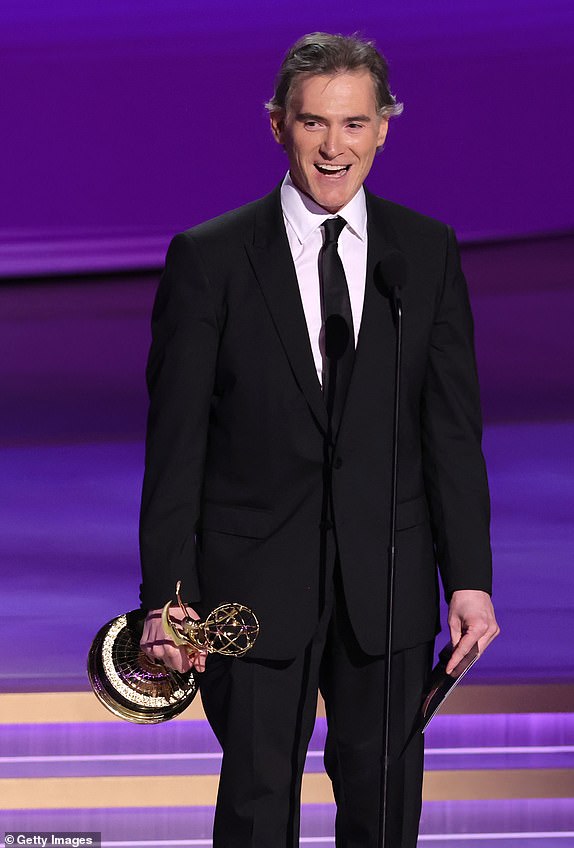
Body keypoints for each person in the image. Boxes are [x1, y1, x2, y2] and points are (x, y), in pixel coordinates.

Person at [138, 32, 500, 848]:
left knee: (383, 814)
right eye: (313, 124)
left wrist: (469, 578)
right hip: (250, 592)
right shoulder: (212, 258)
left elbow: (450, 432)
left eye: (353, 125)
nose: (333, 148)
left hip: (391, 583)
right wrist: (165, 594)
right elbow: (177, 443)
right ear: (278, 126)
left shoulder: (427, 253)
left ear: (382, 129)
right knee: (259, 808)